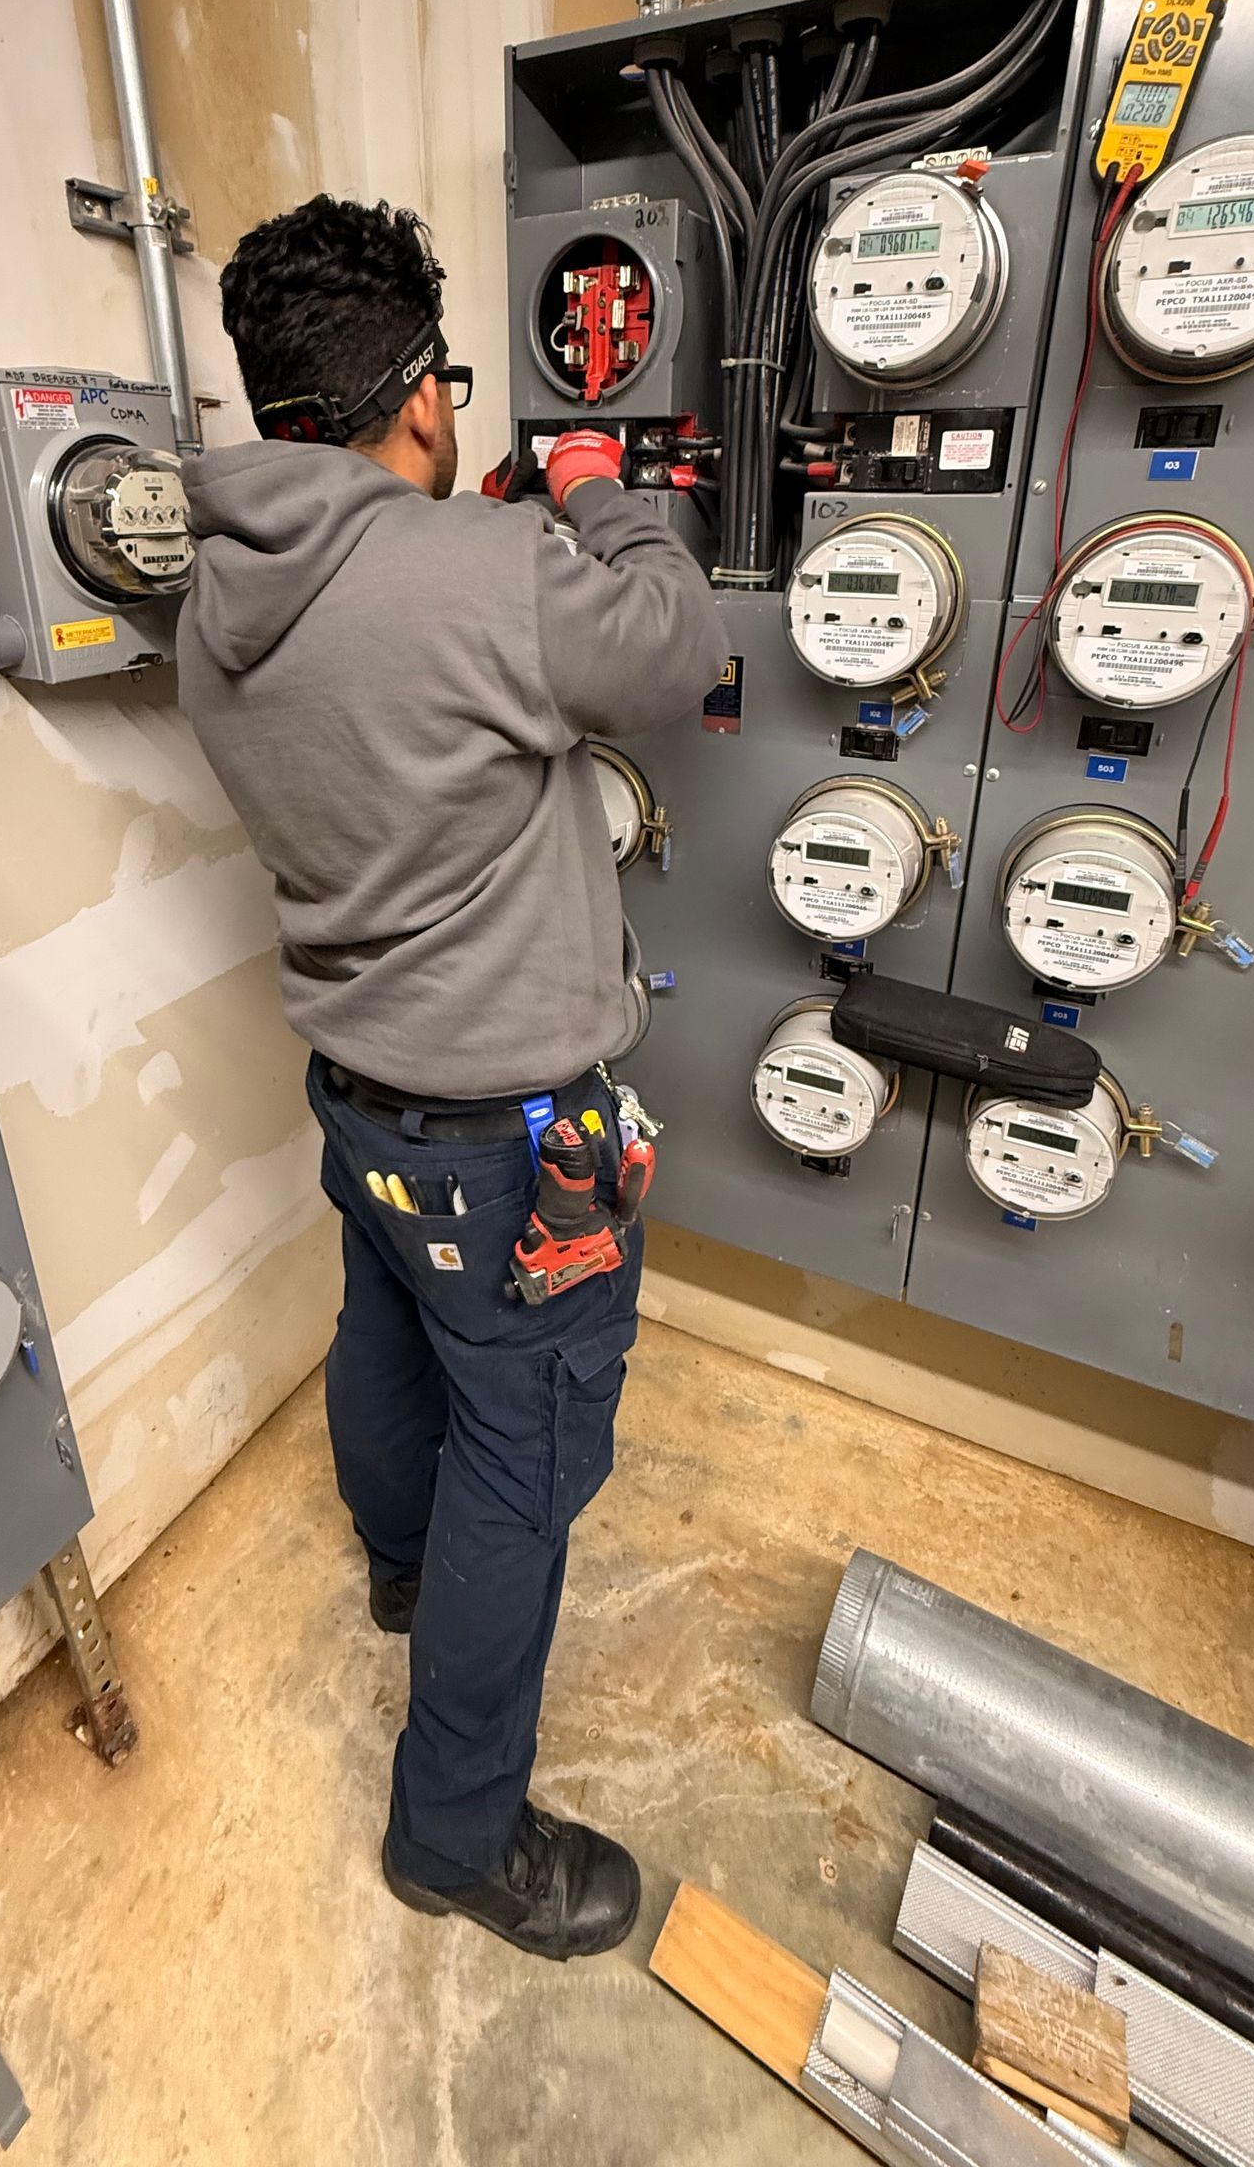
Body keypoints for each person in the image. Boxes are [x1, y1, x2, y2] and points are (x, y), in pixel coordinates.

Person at [178, 196, 725, 1961]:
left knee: (390, 1340)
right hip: (513, 1139)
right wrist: (592, 486)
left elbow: (393, 682)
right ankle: (457, 1836)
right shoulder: (483, 570)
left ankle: (399, 1572)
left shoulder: (213, 605)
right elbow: (677, 645)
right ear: (420, 398)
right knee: (530, 1464)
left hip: (362, 1093)